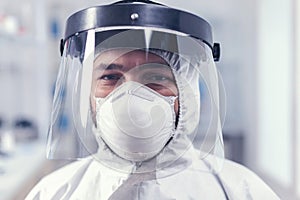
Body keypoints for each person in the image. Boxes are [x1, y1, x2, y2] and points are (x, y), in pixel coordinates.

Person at [26, 0, 280, 199]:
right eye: (110, 76)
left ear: (187, 91)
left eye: (155, 77)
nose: (131, 97)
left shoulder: (241, 192)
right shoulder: (54, 193)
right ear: (88, 93)